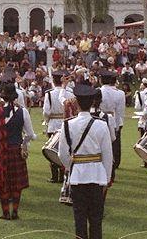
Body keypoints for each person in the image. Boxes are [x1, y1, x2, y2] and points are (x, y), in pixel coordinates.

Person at [58, 84, 113, 239]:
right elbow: (108, 156)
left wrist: (71, 167)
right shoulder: (101, 125)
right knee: (96, 219)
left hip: (77, 177)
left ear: (76, 102)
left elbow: (63, 154)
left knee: (79, 219)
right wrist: (107, 180)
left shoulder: (67, 124)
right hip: (97, 176)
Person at [0, 79, 36, 220]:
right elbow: (30, 134)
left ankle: (5, 213)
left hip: (0, 151)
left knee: (3, 183)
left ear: (3, 96)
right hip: (16, 150)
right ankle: (15, 212)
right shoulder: (23, 112)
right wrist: (23, 143)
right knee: (16, 184)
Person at [42, 70, 72, 183]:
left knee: (52, 149)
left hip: (53, 124)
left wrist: (46, 120)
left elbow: (46, 111)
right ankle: (64, 174)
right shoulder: (70, 92)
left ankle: (55, 176)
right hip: (67, 123)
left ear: (54, 80)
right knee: (65, 149)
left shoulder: (49, 93)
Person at [98, 70, 125, 173]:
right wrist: (118, 125)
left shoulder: (98, 91)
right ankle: (114, 163)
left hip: (100, 119)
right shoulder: (120, 93)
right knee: (115, 144)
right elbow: (120, 111)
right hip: (113, 119)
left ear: (101, 80)